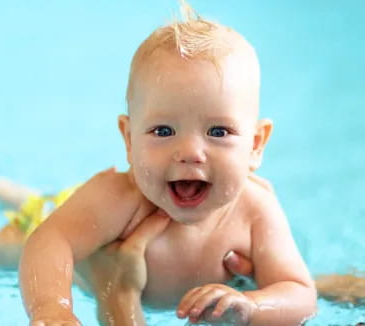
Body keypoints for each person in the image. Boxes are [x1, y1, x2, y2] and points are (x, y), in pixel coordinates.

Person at [18, 2, 320, 326]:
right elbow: (50, 240)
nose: (190, 152)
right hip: (52, 218)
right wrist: (52, 306)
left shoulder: (255, 209)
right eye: (163, 131)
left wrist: (252, 306)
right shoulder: (117, 199)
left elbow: (299, 293)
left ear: (256, 145)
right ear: (130, 140)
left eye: (218, 131)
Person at [0, 152, 252, 323]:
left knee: (64, 212)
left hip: (87, 213)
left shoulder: (243, 223)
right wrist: (51, 304)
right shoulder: (237, 217)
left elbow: (300, 284)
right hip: (51, 233)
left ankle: (13, 194)